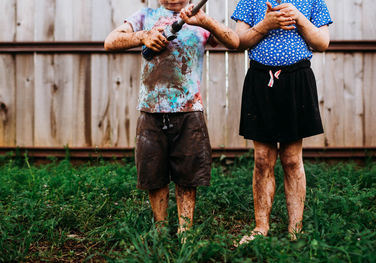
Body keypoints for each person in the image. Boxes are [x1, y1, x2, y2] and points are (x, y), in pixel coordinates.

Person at [104, 0, 239, 236]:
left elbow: (234, 42)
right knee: (154, 174)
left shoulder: (199, 20)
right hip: (150, 110)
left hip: (189, 112)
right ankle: (161, 230)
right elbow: (110, 42)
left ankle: (185, 232)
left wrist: (206, 20)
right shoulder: (145, 16)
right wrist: (142, 36)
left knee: (188, 175)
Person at [231, 0, 332, 243]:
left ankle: (295, 229)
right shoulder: (250, 0)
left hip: (296, 79)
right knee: (262, 159)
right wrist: (266, 24)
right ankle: (260, 227)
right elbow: (238, 42)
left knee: (291, 159)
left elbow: (322, 42)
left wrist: (298, 17)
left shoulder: (312, 0)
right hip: (260, 78)